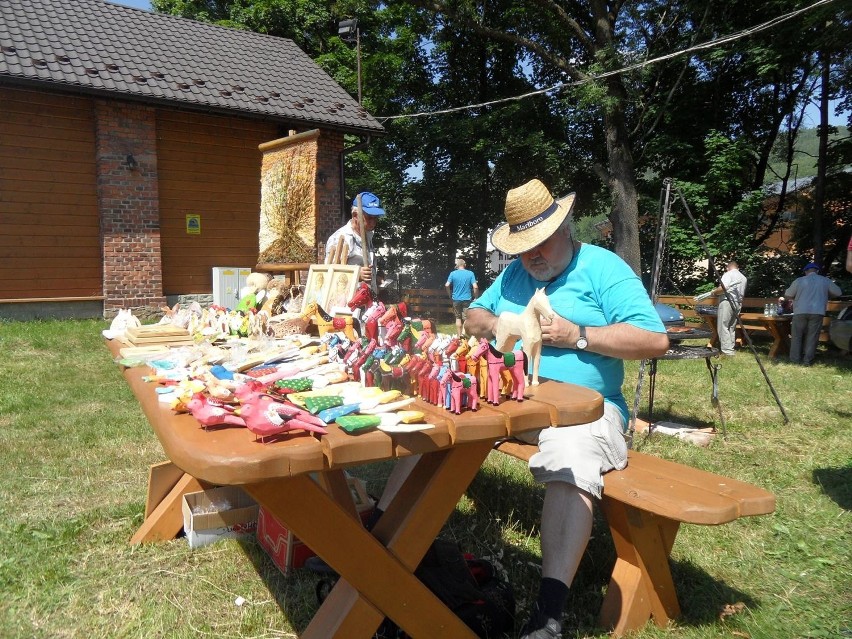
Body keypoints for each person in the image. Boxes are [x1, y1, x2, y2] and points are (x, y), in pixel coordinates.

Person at [465, 179, 669, 639]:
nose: (532, 256)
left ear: (565, 229)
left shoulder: (602, 267)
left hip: (584, 413)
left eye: (540, 244)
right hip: (512, 401)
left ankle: (549, 614)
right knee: (436, 417)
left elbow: (655, 340)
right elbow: (473, 316)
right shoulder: (516, 274)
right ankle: (382, 533)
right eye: (523, 248)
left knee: (572, 453)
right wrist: (500, 322)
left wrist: (579, 334)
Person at [782, 262, 841, 366]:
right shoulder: (825, 281)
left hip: (800, 311)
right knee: (812, 336)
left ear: (805, 271)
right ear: (817, 271)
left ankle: (795, 359)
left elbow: (788, 294)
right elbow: (838, 292)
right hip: (817, 311)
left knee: (797, 336)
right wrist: (826, 294)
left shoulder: (799, 281)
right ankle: (807, 360)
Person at [325, 192, 385, 289]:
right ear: (355, 215)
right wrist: (356, 274)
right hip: (346, 301)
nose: (373, 222)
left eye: (376, 218)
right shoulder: (340, 238)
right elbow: (328, 274)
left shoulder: (367, 236)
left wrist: (375, 278)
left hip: (367, 300)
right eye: (369, 217)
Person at [694, 261, 747, 356]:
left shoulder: (728, 274)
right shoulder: (743, 278)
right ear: (737, 268)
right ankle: (730, 348)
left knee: (723, 326)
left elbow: (723, 288)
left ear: (728, 267)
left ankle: (727, 351)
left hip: (727, 301)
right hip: (738, 303)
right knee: (731, 326)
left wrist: (714, 292)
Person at [445, 258, 479, 338]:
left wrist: (449, 295)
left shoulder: (453, 273)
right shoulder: (470, 273)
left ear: (457, 266)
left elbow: (447, 285)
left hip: (456, 298)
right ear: (465, 265)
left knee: (458, 317)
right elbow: (475, 287)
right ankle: (463, 333)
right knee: (466, 318)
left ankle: (459, 335)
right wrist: (476, 297)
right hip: (467, 299)